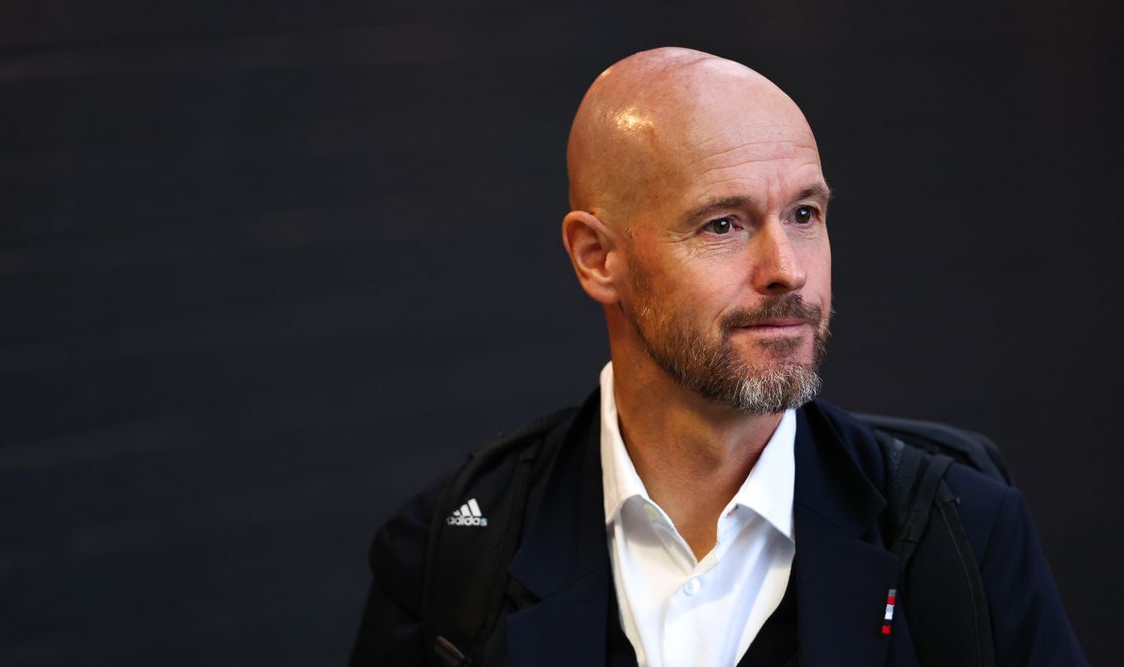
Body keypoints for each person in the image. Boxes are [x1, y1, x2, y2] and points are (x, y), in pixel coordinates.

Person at [349, 47, 1086, 666]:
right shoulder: (446, 561)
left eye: (804, 214)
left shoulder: (961, 533)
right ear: (596, 256)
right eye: (724, 224)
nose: (787, 269)